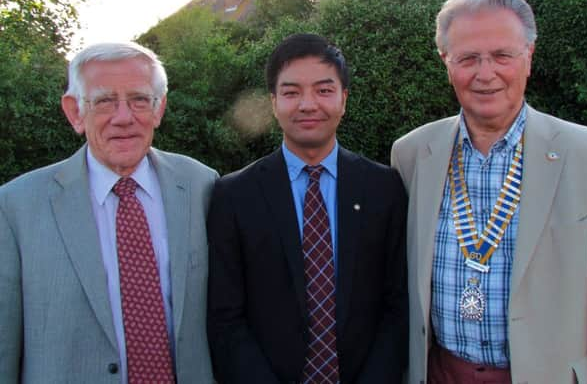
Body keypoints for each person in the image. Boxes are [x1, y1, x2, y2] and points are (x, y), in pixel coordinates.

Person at [391, 0, 587, 384]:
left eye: (502, 56)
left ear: (528, 59)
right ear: (446, 63)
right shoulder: (412, 154)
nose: (485, 74)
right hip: (439, 374)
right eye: (468, 58)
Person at [0, 42, 217, 383]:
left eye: (139, 100)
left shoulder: (201, 186)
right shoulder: (16, 206)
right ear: (75, 112)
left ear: (159, 109)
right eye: (104, 101)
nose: (123, 117)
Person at [207, 33, 408, 384]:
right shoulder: (234, 194)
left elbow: (397, 307)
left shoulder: (384, 188)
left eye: (324, 90)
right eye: (291, 92)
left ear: (344, 100)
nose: (308, 104)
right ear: (273, 103)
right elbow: (226, 318)